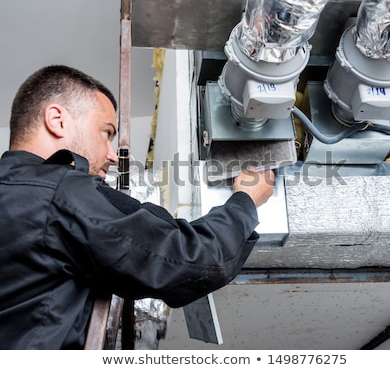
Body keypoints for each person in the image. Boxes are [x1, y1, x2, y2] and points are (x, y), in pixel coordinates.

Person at [0, 65, 275, 349]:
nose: (111, 154)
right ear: (57, 120)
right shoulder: (61, 193)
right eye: (106, 133)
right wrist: (246, 201)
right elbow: (188, 258)